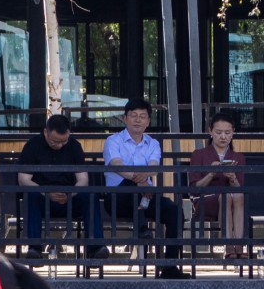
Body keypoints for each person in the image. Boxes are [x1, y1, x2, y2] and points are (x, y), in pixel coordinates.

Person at [102, 99, 175, 275]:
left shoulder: (153, 143)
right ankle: (142, 229)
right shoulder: (113, 141)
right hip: (117, 200)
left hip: (146, 197)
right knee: (130, 186)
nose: (138, 120)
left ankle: (170, 266)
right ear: (125, 118)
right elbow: (117, 166)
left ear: (148, 121)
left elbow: (153, 167)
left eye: (143, 116)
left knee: (174, 211)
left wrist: (143, 179)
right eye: (133, 116)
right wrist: (139, 180)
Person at [14, 113, 100, 260]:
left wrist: (70, 193)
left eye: (63, 141)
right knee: (30, 195)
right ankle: (34, 248)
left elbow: (83, 179)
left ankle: (96, 247)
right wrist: (47, 193)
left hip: (69, 198)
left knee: (90, 196)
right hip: (41, 197)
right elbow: (23, 179)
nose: (59, 145)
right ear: (45, 132)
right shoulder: (32, 145)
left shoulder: (74, 146)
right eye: (55, 142)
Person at [187, 111, 247, 260]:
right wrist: (211, 173)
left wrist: (232, 178)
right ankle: (228, 245)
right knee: (226, 197)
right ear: (210, 132)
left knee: (238, 195)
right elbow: (194, 188)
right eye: (218, 132)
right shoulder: (199, 154)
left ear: (233, 133)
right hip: (205, 200)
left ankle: (238, 244)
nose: (223, 136)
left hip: (233, 201)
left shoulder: (238, 157)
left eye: (227, 132)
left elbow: (240, 189)